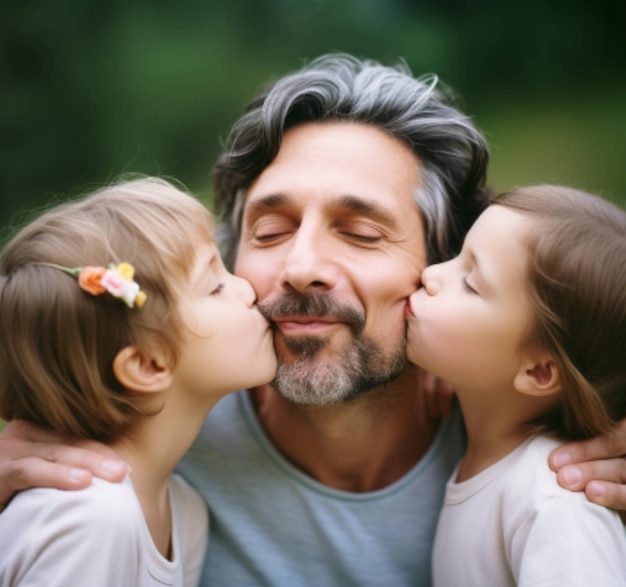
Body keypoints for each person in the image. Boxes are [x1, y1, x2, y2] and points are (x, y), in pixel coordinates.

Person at [1, 54, 626, 586]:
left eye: (360, 232)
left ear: (438, 266)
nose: (301, 267)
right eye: (269, 231)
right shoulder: (140, 429)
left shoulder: (533, 442)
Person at [0, 177, 277, 586]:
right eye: (216, 286)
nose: (247, 290)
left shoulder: (183, 513)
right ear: (148, 364)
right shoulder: (91, 520)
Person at [406, 184, 626, 586]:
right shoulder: (493, 468)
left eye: (470, 283)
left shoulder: (554, 506)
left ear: (539, 373)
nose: (431, 274)